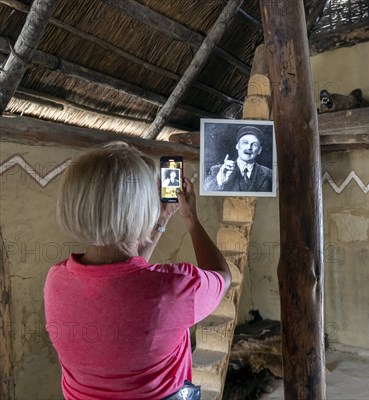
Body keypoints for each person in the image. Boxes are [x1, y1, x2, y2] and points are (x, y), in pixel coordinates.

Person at [44, 142, 231, 400]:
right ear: (144, 208)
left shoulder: (57, 280)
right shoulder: (174, 288)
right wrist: (192, 221)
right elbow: (223, 276)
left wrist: (161, 222)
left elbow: (124, 276)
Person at [204, 125, 272, 192]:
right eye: (245, 143)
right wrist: (219, 181)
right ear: (237, 146)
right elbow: (204, 191)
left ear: (259, 150)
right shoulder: (217, 170)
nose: (249, 147)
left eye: (254, 144)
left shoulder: (268, 173)